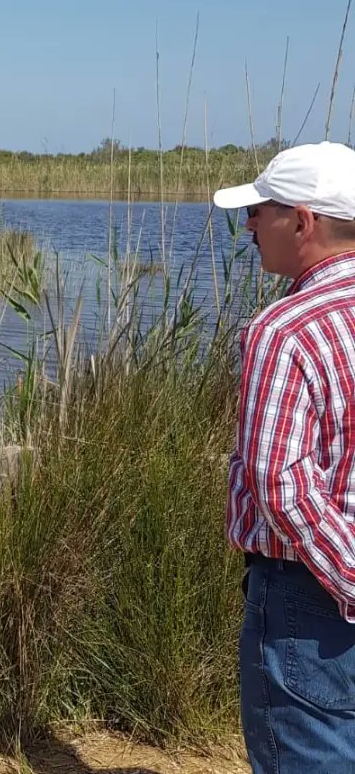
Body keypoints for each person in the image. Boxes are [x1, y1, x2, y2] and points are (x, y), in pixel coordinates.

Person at [215, 141, 355, 773]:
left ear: (302, 221)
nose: (248, 225)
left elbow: (282, 485)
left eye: (258, 211)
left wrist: (349, 577)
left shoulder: (285, 329)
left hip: (310, 596)